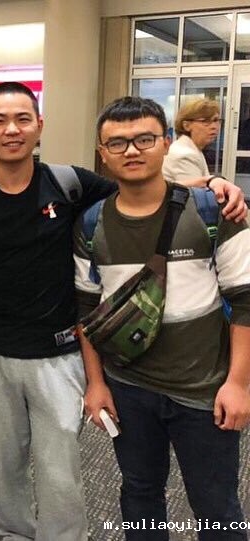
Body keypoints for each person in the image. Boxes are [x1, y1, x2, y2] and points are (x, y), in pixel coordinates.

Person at [0, 82, 247, 541]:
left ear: (39, 126)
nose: (11, 130)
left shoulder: (70, 185)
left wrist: (211, 184)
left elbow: (141, 187)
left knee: (61, 471)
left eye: (22, 119)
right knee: (3, 466)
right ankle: (13, 534)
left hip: (61, 354)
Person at [78, 96, 250, 541]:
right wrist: (95, 383)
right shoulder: (91, 224)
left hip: (204, 389)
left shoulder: (213, 211)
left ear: (167, 142)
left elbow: (245, 301)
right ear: (102, 153)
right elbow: (85, 311)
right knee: (140, 492)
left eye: (145, 139)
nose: (132, 151)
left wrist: (238, 383)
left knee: (216, 506)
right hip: (128, 387)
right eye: (118, 143)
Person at [162, 98, 221, 183]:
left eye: (215, 120)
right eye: (205, 121)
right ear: (186, 126)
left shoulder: (192, 148)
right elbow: (196, 191)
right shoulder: (184, 155)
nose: (214, 126)